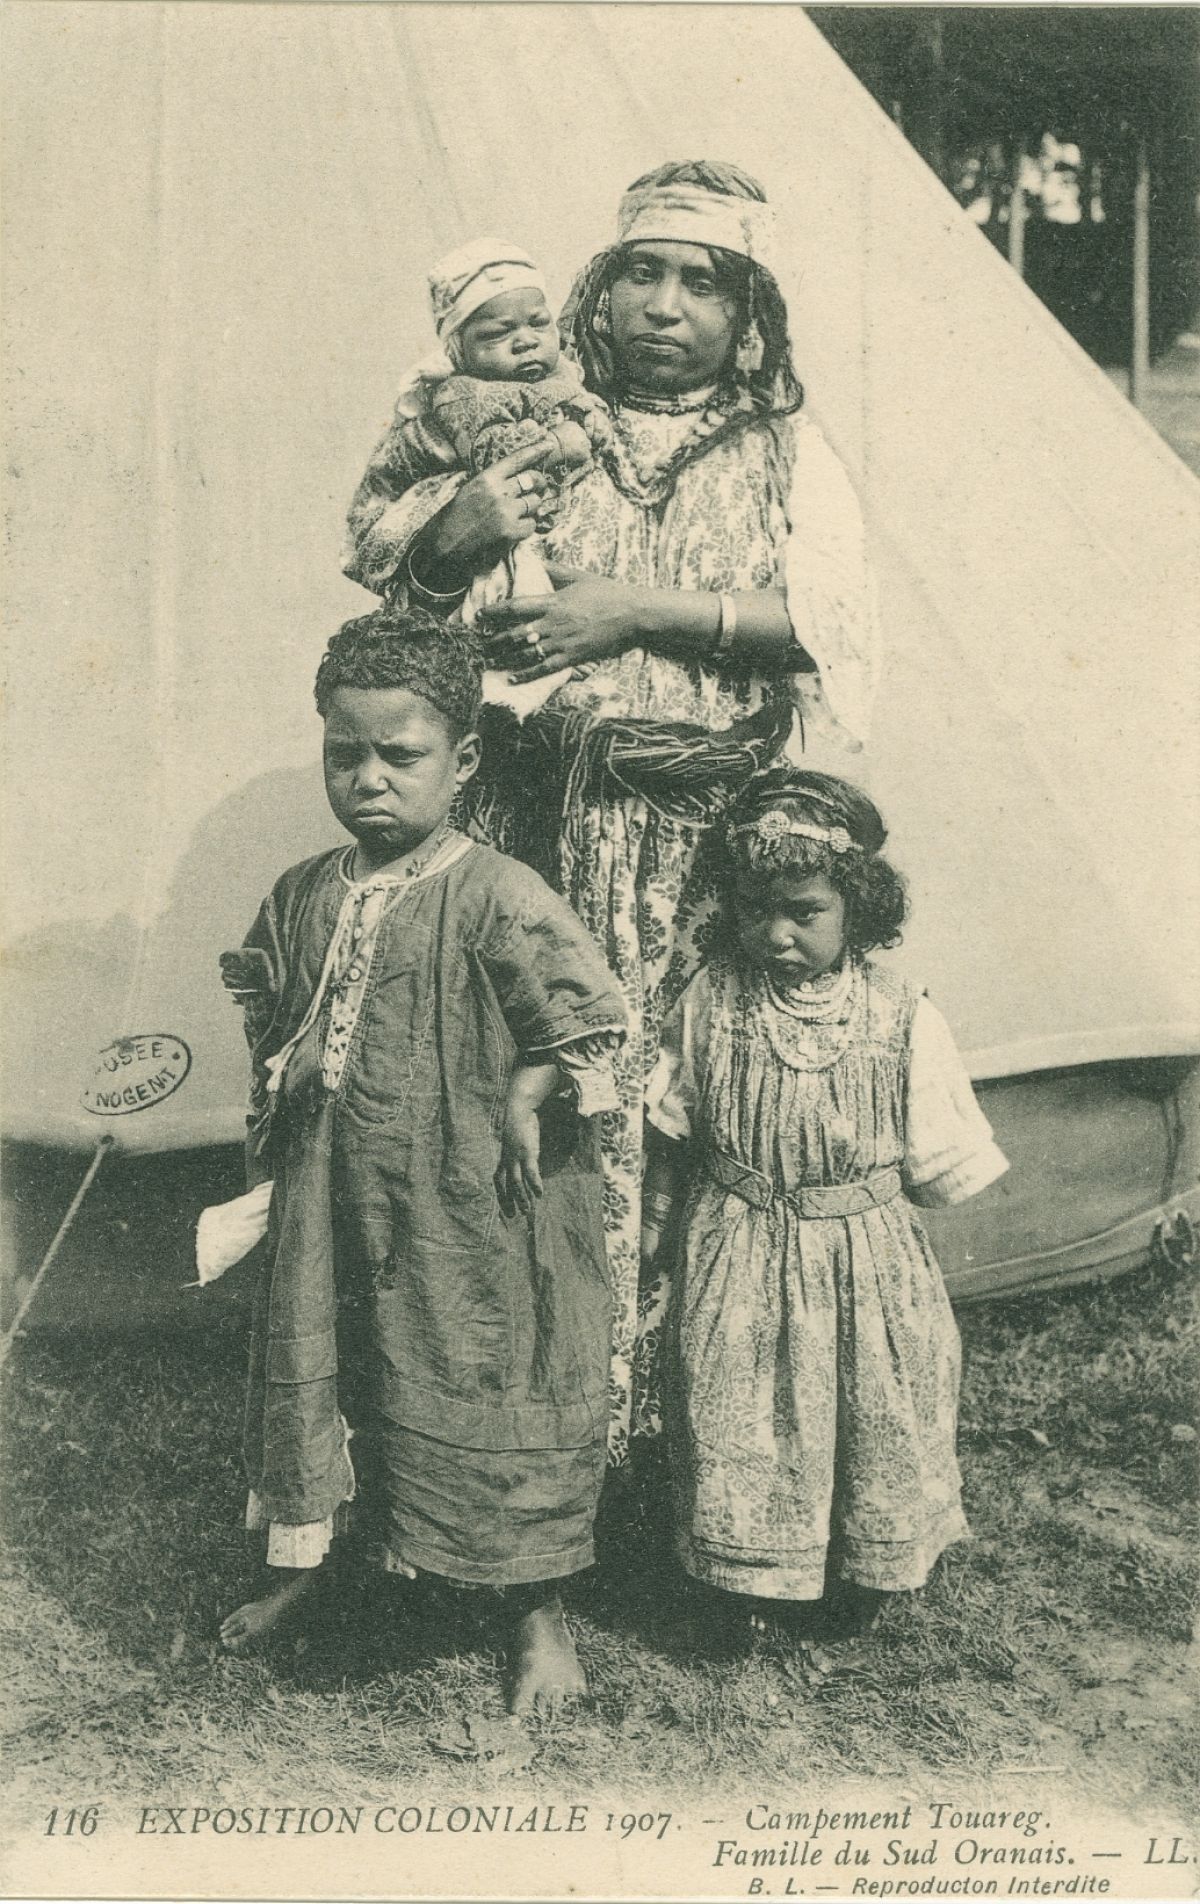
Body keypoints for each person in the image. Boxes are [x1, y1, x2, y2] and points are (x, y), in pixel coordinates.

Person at [343, 160, 881, 1469]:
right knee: (524, 1116)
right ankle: (516, 1451)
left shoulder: (779, 446)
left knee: (696, 1128)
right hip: (534, 839)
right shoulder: (526, 420)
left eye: (702, 282)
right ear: (598, 285)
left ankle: (678, 1463)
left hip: (707, 860)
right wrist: (460, 527)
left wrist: (634, 610)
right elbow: (395, 601)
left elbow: (837, 625)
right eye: (641, 272)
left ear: (747, 312)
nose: (664, 306)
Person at [215, 608, 626, 1712]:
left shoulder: (497, 891)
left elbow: (589, 1019)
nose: (369, 781)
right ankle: (319, 1562)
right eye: (343, 755)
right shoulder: (307, 889)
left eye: (400, 756)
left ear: (464, 759)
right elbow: (275, 1004)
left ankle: (533, 1609)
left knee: (476, 1368)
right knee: (343, 1359)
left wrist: (530, 1091)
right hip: (334, 1192)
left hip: (463, 1199)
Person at [642, 769, 1008, 1632]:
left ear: (858, 906)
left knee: (872, 1410)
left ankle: (858, 1576)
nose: (777, 934)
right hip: (739, 1250)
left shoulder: (902, 1014)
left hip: (866, 1263)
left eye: (804, 913)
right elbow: (673, 1127)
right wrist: (656, 1221)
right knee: (740, 1408)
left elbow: (938, 1164)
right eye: (756, 910)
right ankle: (742, 1577)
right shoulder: (711, 1000)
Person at [344, 237, 610, 715]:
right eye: (497, 334)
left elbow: (581, 405)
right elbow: (497, 453)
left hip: (525, 517)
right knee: (503, 590)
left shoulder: (555, 376)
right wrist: (560, 442)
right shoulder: (466, 394)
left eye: (538, 323)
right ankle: (518, 695)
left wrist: (591, 420)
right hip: (473, 513)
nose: (525, 340)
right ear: (460, 350)